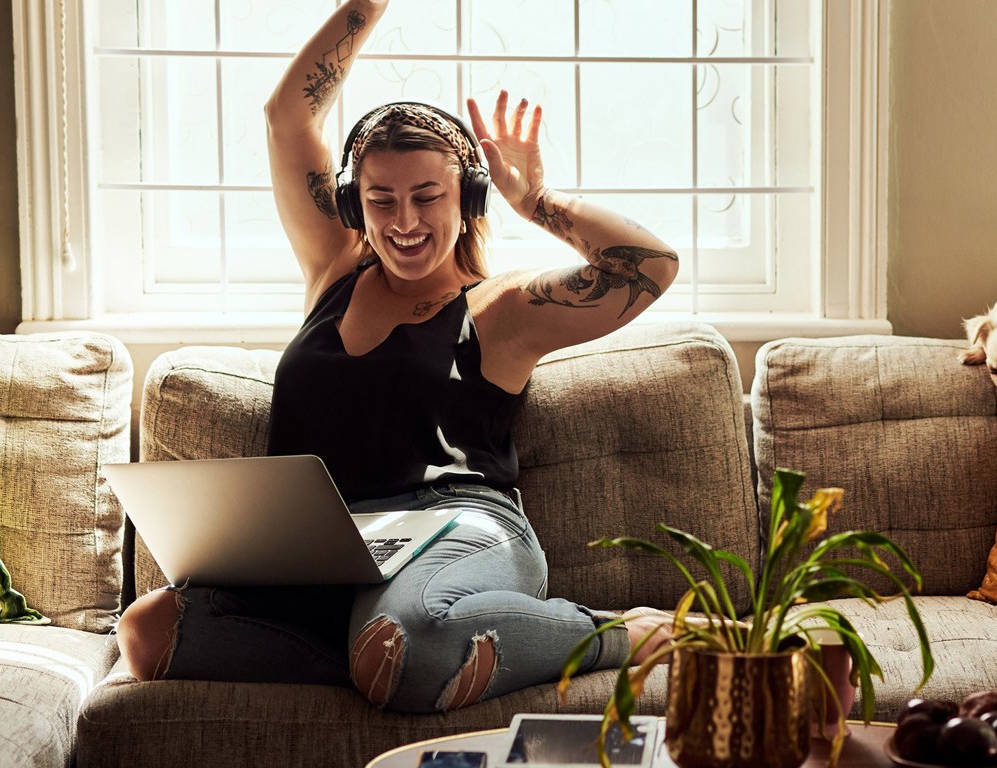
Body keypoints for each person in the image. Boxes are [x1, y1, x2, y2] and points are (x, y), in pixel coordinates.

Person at [113, 0, 677, 713]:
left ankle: (623, 634)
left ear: (467, 197)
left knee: (402, 636)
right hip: (331, 547)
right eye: (381, 200)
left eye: (427, 196)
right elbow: (288, 117)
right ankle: (377, 658)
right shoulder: (333, 269)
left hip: (459, 523)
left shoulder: (500, 310)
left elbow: (651, 265)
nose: (404, 223)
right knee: (148, 631)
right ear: (355, 205)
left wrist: (536, 201)